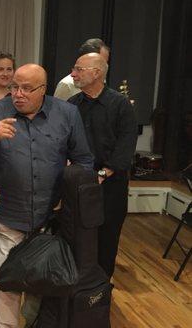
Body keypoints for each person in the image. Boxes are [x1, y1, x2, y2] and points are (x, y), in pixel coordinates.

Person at [0, 63, 93, 328]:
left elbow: (83, 161)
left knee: (42, 284)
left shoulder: (66, 114)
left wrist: (70, 197)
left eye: (27, 89)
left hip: (48, 220)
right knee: (5, 282)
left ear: (43, 89)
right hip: (8, 216)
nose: (18, 93)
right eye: (14, 87)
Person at [68, 53, 137, 278]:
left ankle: (99, 294)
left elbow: (125, 148)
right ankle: (75, 291)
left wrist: (100, 174)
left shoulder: (121, 105)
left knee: (106, 242)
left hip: (110, 187)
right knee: (76, 238)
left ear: (96, 73)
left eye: (79, 69)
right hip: (78, 184)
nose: (73, 74)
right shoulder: (71, 105)